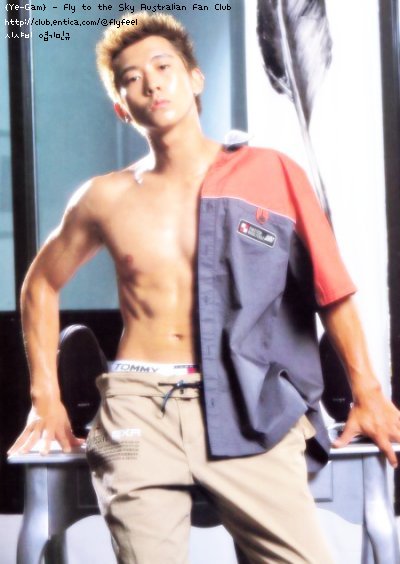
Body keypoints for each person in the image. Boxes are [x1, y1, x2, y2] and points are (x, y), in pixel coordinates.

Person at [8, 10, 400, 564]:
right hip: (137, 407)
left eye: (163, 66)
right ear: (122, 107)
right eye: (131, 78)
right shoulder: (104, 198)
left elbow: (330, 288)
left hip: (247, 404)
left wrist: (369, 393)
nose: (151, 82)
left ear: (195, 78)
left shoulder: (271, 172)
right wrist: (44, 399)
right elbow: (40, 285)